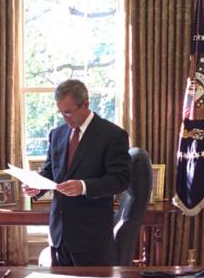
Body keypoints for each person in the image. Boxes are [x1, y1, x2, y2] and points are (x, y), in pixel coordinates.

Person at [23, 79, 131, 266]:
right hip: (59, 234)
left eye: (68, 112)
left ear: (86, 104)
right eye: (61, 113)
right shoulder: (56, 134)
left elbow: (121, 180)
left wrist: (83, 186)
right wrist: (36, 186)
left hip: (91, 237)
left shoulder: (112, 135)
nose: (65, 118)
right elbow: (50, 171)